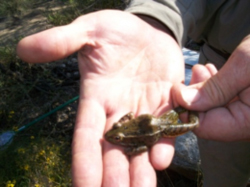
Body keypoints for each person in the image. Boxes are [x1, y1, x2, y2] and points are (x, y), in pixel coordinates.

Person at [16, 0, 250, 186]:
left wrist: (131, 148)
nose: (113, 136)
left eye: (116, 137)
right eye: (116, 136)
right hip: (215, 67)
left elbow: (142, 145)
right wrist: (156, 15)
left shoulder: (131, 140)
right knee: (223, 169)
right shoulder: (124, 129)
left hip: (164, 121)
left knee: (191, 124)